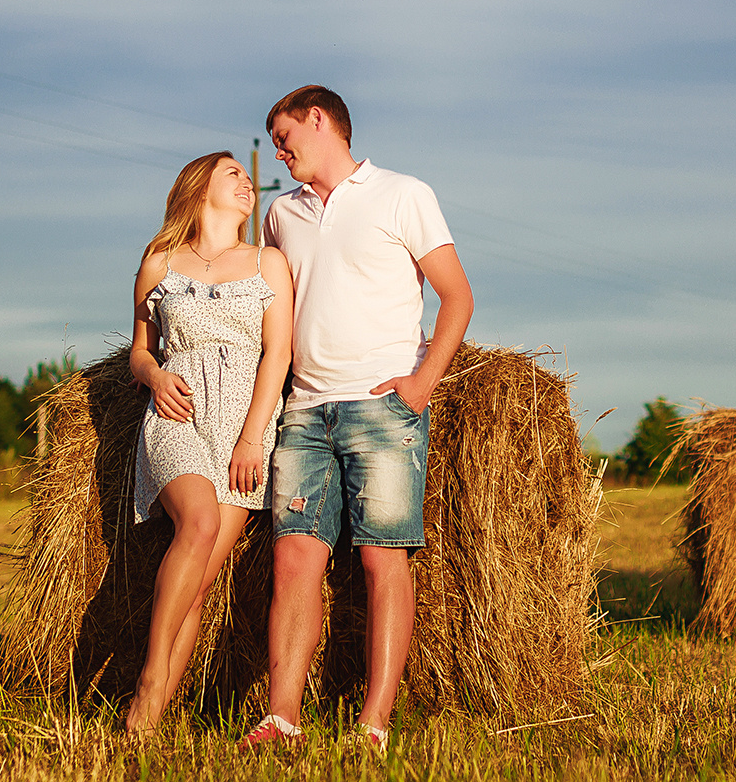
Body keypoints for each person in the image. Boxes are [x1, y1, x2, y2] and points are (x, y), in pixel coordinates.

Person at [238, 86, 474, 754]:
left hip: (382, 408)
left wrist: (422, 383)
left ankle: (372, 724)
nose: (278, 150)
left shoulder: (403, 194)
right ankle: (282, 714)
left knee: (381, 560)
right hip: (305, 409)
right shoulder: (281, 214)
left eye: (284, 136)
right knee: (293, 559)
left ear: (320, 119)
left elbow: (458, 295)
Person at [123, 151, 294, 735]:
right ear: (199, 189)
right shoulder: (159, 263)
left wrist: (252, 439)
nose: (248, 183)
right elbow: (140, 350)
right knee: (195, 524)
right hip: (177, 414)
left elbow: (279, 354)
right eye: (235, 175)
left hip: (243, 429)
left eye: (248, 179)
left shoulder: (269, 264)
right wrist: (152, 375)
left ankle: (144, 724)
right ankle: (150, 678)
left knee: (195, 588)